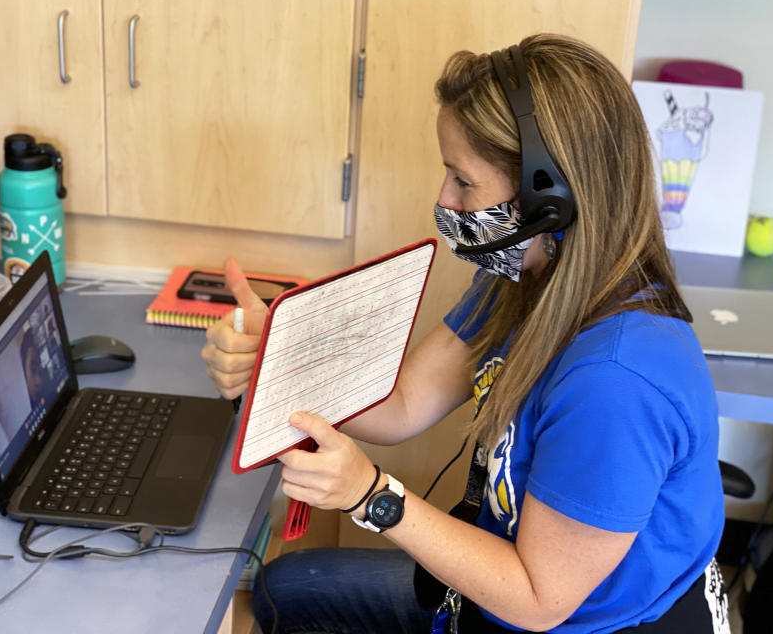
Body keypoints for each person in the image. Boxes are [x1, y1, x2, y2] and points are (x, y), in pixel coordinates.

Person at [201, 34, 728, 633]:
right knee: (283, 590)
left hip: (556, 612)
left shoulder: (616, 383)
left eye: (463, 180)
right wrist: (280, 355)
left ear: (549, 197)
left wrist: (371, 495)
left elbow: (537, 598)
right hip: (496, 596)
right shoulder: (529, 276)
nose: (443, 199)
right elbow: (400, 407)